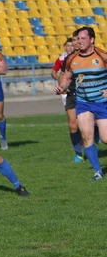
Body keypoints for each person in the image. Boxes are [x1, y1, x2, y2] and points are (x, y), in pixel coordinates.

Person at [55, 26, 107, 181]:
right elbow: (66, 77)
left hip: (102, 103)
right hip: (83, 102)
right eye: (78, 39)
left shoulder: (102, 55)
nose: (80, 41)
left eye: (83, 38)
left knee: (105, 139)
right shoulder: (72, 58)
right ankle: (98, 171)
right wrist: (61, 87)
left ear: (91, 40)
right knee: (87, 136)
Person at [52, 36, 84, 162]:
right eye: (73, 41)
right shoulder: (67, 59)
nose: (75, 43)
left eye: (77, 41)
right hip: (71, 94)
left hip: (87, 94)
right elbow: (64, 76)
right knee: (72, 125)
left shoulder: (91, 56)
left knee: (87, 124)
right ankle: (79, 154)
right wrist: (61, 87)